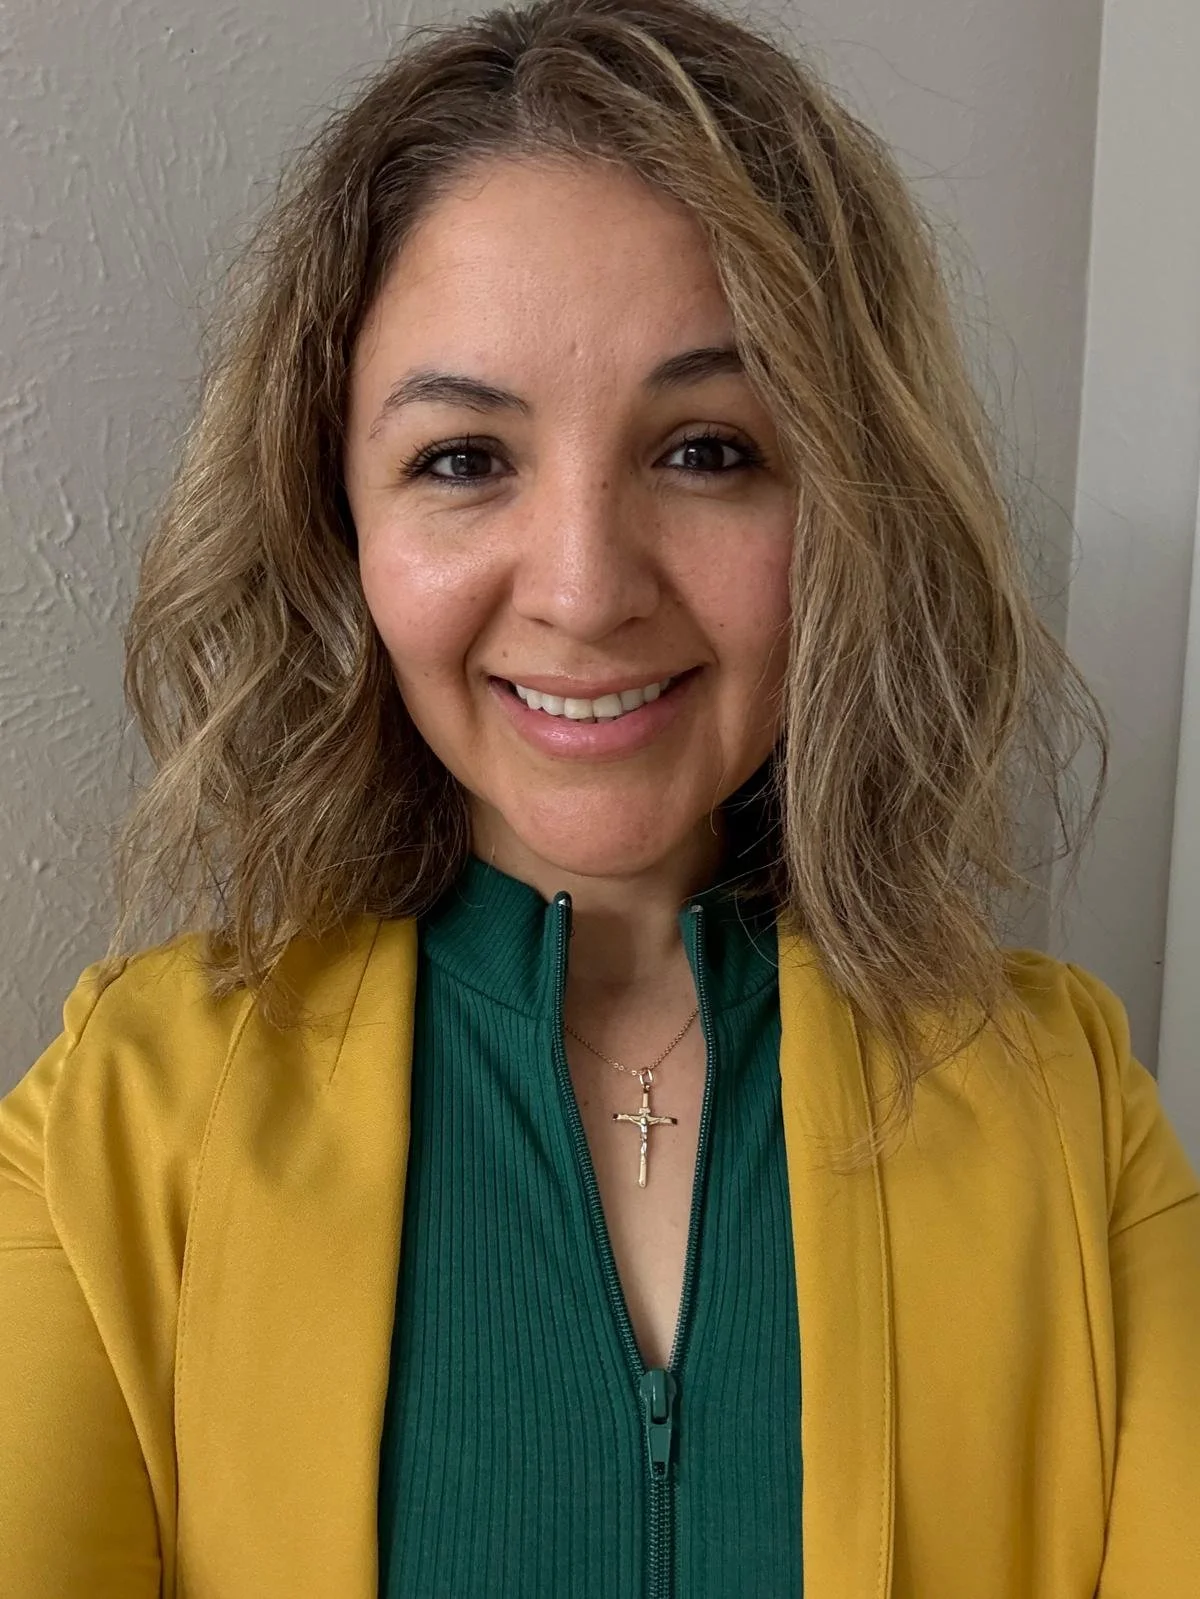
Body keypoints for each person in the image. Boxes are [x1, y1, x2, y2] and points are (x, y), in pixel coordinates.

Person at [2, 0, 1197, 1594]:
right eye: (462, 459)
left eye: (705, 450)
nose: (582, 587)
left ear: (847, 501)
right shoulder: (117, 1134)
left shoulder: (1070, 1115)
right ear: (335, 520)